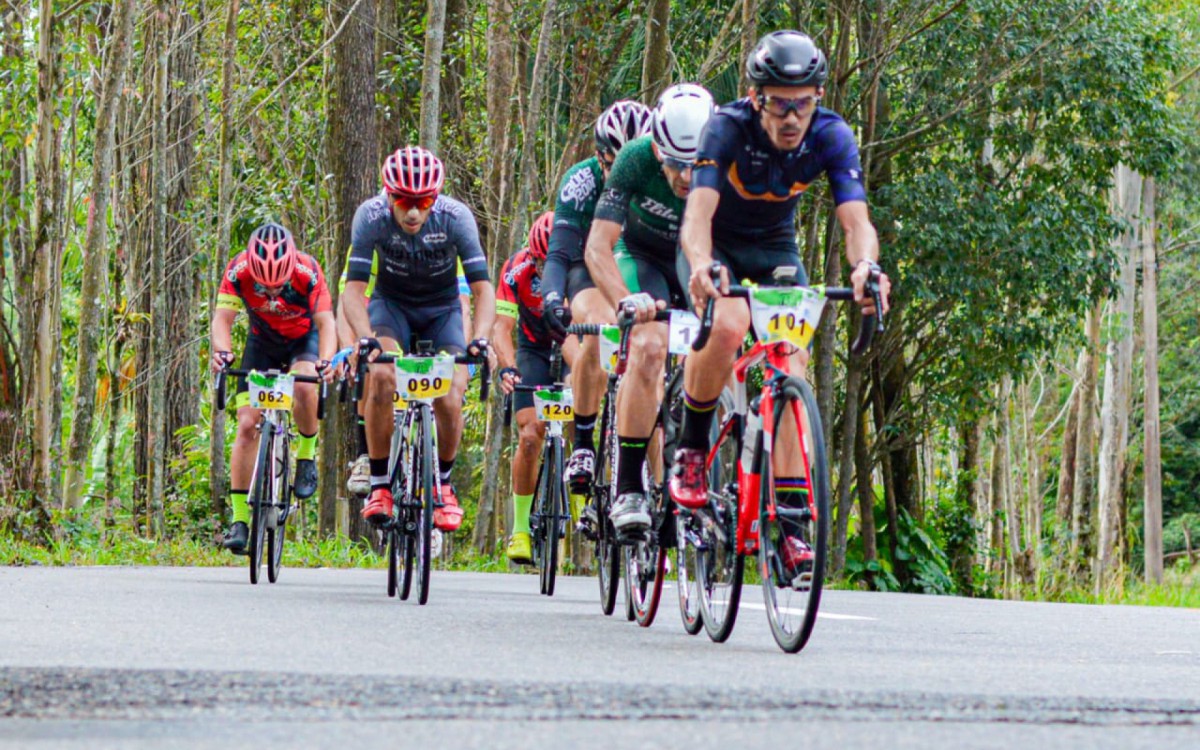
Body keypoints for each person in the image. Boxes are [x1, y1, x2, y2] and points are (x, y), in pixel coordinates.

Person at [670, 31, 892, 570]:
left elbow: (856, 222)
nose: (791, 117)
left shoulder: (832, 135)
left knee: (789, 355)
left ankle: (791, 521)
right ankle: (693, 447)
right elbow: (695, 218)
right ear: (755, 97)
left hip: (774, 248)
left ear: (817, 98)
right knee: (726, 324)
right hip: (716, 244)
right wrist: (701, 267)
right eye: (778, 103)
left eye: (804, 103)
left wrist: (866, 267)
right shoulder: (726, 128)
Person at [342, 146, 496, 531]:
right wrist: (365, 339)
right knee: (380, 375)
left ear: (436, 198)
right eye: (404, 201)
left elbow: (484, 291)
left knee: (449, 391)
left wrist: (479, 339)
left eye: (423, 201)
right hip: (391, 307)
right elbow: (352, 290)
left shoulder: (456, 218)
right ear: (388, 194)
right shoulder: (371, 216)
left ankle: (443, 483)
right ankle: (380, 485)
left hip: (441, 310)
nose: (413, 212)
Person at [583, 84, 715, 533]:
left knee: (723, 343)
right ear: (657, 148)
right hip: (643, 258)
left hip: (698, 258)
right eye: (674, 163)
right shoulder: (635, 158)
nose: (682, 176)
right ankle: (628, 489)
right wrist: (625, 298)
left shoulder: (727, 157)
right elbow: (598, 247)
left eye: (693, 164)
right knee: (651, 347)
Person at [540, 101, 653, 517]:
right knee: (600, 326)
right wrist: (552, 296)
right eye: (611, 162)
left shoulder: (663, 176)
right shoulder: (581, 181)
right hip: (586, 266)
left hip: (638, 261)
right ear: (600, 155)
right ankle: (585, 444)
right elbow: (560, 253)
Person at [210, 223, 336, 553]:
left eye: (278, 285)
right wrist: (222, 352)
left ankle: (307, 454)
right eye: (263, 286)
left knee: (305, 386)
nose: (270, 292)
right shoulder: (238, 271)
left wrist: (325, 361)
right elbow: (223, 319)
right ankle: (239, 520)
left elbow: (326, 323)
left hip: (302, 341)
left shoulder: (308, 271)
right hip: (262, 344)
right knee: (248, 425)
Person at [336, 254, 474, 498]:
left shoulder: (442, 244)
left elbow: (462, 307)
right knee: (370, 361)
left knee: (450, 385)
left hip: (434, 322)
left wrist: (463, 356)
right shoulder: (374, 241)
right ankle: (366, 456)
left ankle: (439, 477)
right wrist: (349, 349)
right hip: (387, 319)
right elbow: (349, 301)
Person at [493, 212, 581, 564]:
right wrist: (508, 366)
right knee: (530, 434)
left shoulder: (579, 268)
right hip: (533, 347)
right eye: (541, 262)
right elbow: (501, 328)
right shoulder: (516, 269)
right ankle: (520, 530)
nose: (546, 269)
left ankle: (582, 499)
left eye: (552, 260)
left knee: (581, 410)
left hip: (571, 337)